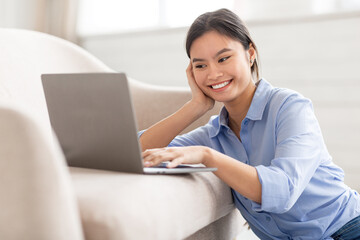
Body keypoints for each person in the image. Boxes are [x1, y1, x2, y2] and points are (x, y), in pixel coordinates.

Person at [139, 8, 360, 239]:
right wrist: (195, 107)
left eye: (223, 58)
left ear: (250, 53)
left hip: (347, 229)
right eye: (200, 65)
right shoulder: (214, 135)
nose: (213, 74)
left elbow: (282, 190)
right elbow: (135, 152)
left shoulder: (290, 107)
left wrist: (208, 156)